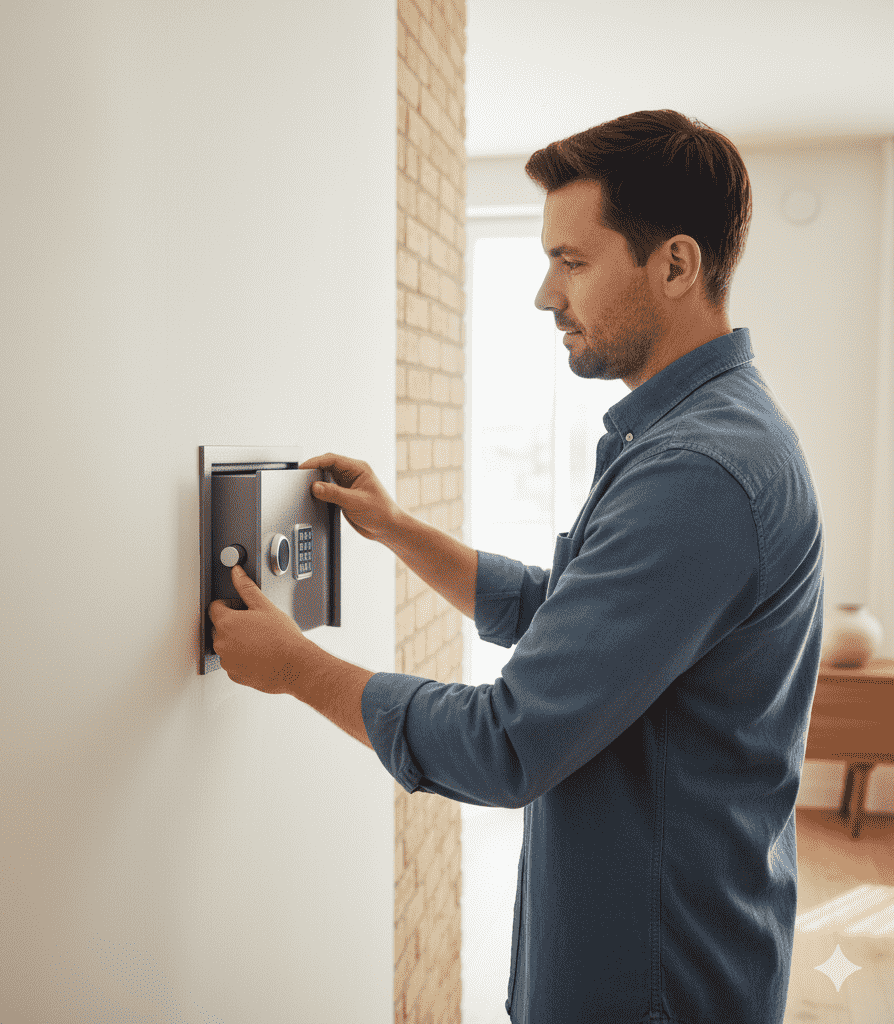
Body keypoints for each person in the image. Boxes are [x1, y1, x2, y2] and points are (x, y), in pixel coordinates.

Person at [209, 109, 825, 1024]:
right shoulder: (696, 435)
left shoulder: (699, 472)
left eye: (572, 262)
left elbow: (505, 745)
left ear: (676, 265)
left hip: (655, 986)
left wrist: (297, 668)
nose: (545, 295)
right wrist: (400, 531)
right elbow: (569, 617)